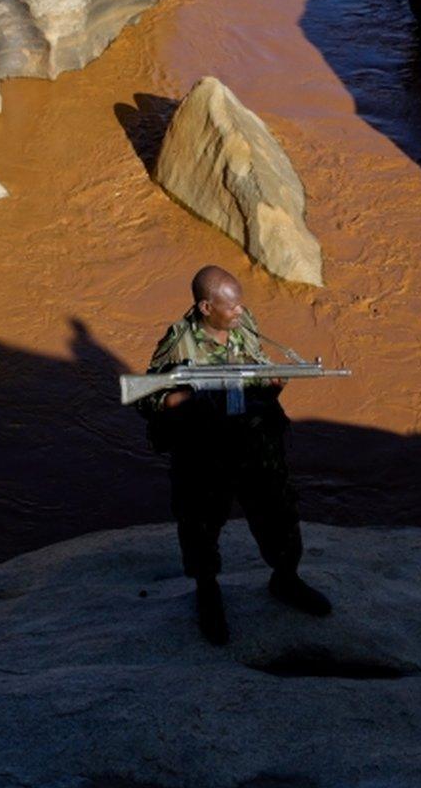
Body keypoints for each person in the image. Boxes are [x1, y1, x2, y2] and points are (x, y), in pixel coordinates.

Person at [137, 265, 331, 645]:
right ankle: (207, 593)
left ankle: (285, 578)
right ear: (207, 307)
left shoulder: (245, 324)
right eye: (231, 307)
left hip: (255, 447)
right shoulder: (179, 344)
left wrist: (271, 386)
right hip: (205, 455)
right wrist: (181, 399)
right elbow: (147, 396)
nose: (240, 312)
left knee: (279, 513)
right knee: (200, 525)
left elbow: (256, 371)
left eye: (241, 304)